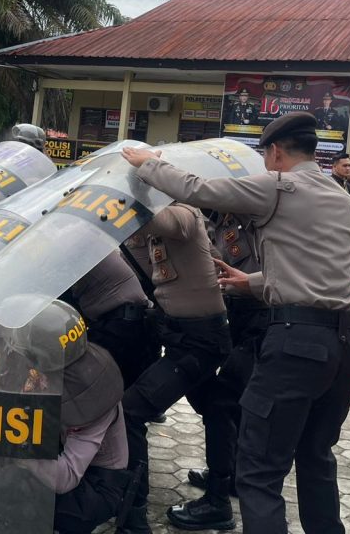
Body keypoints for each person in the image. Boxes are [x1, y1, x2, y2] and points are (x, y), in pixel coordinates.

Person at [121, 113, 350, 534]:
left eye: (266, 156)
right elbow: (317, 272)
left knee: (258, 473)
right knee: (315, 457)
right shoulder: (338, 194)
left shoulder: (279, 187)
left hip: (296, 345)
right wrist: (251, 282)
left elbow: (197, 189)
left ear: (275, 151)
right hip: (348, 340)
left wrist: (147, 161)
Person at [116, 204, 232, 534]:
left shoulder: (182, 215)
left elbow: (155, 219)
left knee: (131, 411)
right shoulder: (154, 233)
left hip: (202, 341)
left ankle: (134, 517)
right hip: (185, 337)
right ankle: (221, 494)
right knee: (216, 407)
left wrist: (120, 195)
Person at [173, 212, 267, 528]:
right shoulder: (222, 217)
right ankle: (233, 474)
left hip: (265, 318)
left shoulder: (261, 213)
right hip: (237, 313)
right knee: (221, 398)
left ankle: (217, 500)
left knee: (221, 402)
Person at [20, 302, 130, 534]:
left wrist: (17, 452)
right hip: (72, 461)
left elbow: (65, 477)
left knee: (15, 487)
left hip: (97, 485)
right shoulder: (69, 368)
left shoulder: (92, 396)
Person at [69, 251, 153, 390]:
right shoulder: (86, 245)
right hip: (130, 325)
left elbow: (60, 307)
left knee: (79, 382)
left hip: (121, 328)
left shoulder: (75, 251)